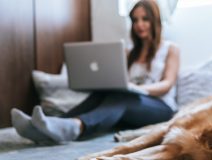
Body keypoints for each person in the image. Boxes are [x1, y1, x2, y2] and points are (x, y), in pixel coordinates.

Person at [11, 0, 180, 143]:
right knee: (105, 94)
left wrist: (138, 89)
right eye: (135, 20)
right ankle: (49, 125)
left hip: (160, 108)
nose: (139, 25)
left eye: (145, 19)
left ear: (155, 20)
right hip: (130, 103)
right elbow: (119, 79)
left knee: (122, 97)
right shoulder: (128, 52)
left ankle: (75, 127)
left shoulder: (170, 48)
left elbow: (167, 84)